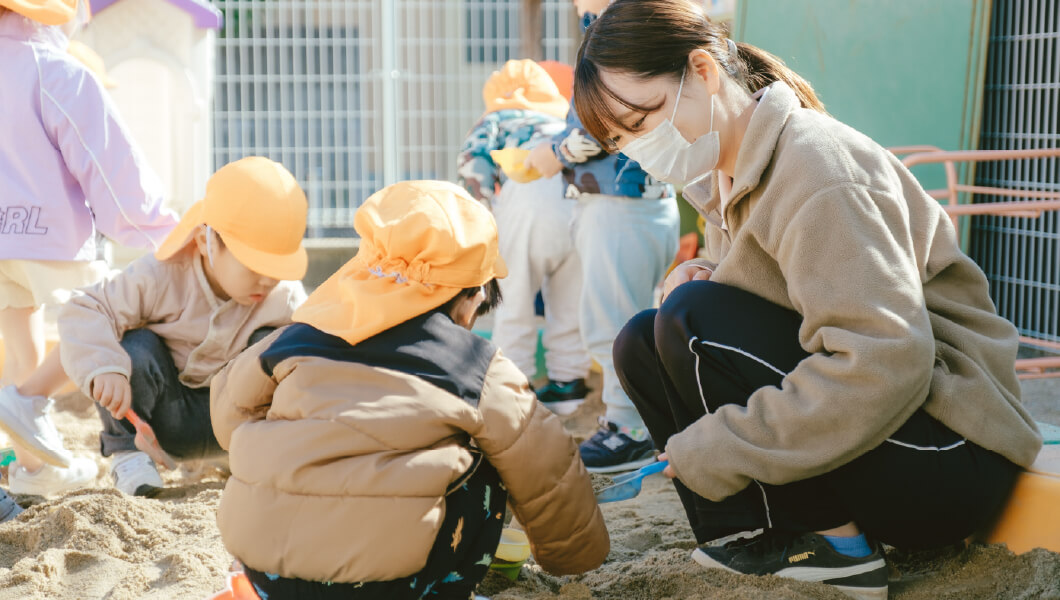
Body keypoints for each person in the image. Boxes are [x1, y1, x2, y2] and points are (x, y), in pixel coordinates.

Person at [571, 1, 1043, 598]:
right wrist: (711, 269)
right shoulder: (723, 169)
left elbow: (886, 359)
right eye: (622, 140)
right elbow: (785, 297)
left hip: (949, 456)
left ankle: (836, 546)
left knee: (691, 319)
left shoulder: (816, 168)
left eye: (644, 120)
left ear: (703, 70)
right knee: (645, 336)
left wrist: (722, 445)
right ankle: (760, 534)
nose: (641, 149)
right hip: (892, 442)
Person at [210, 180, 609, 600]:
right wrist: (573, 555)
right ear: (471, 298)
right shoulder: (474, 365)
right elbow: (546, 466)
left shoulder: (298, 336)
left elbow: (227, 416)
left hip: (268, 575)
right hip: (395, 586)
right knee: (491, 457)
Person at [7, 157, 308, 497]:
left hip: (237, 427)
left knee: (278, 345)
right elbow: (86, 307)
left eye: (277, 265)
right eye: (254, 264)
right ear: (208, 241)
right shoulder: (162, 275)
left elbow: (318, 347)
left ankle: (246, 458)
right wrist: (104, 368)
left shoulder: (284, 298)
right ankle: (129, 456)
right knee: (133, 344)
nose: (268, 277)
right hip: (161, 422)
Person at [0, 0, 178, 495]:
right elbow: (112, 170)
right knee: (104, 318)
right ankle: (24, 400)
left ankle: (35, 468)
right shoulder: (56, 71)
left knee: (21, 336)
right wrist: (164, 234)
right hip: (48, 233)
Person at [524, 0, 680, 473]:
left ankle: (628, 429)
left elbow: (606, 120)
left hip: (618, 201)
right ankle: (639, 422)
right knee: (629, 319)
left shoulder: (619, 25)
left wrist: (552, 152)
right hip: (644, 199)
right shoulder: (636, 19)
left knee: (610, 323)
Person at [457, 58, 592, 415]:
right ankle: (569, 386)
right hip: (581, 203)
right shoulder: (561, 120)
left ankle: (515, 384)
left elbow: (474, 167)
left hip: (528, 200)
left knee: (513, 298)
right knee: (569, 301)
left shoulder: (497, 119)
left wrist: (478, 212)